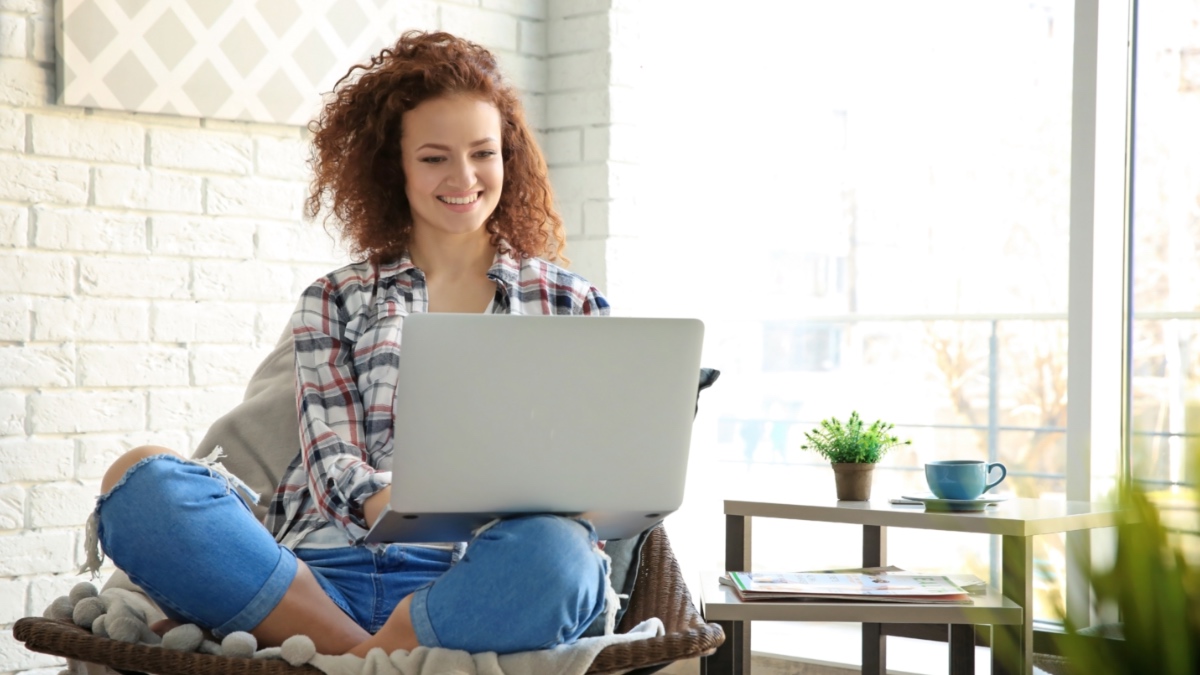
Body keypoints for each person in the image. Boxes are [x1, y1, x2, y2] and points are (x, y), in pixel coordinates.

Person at [90, 30, 614, 658]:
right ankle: (376, 658)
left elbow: (589, 476)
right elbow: (332, 458)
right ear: (395, 167)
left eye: (483, 152)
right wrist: (394, 503)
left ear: (509, 157)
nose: (464, 176)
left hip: (476, 580)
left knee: (563, 557)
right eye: (434, 157)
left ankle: (348, 659)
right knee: (139, 481)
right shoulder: (335, 298)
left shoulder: (569, 302)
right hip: (316, 577)